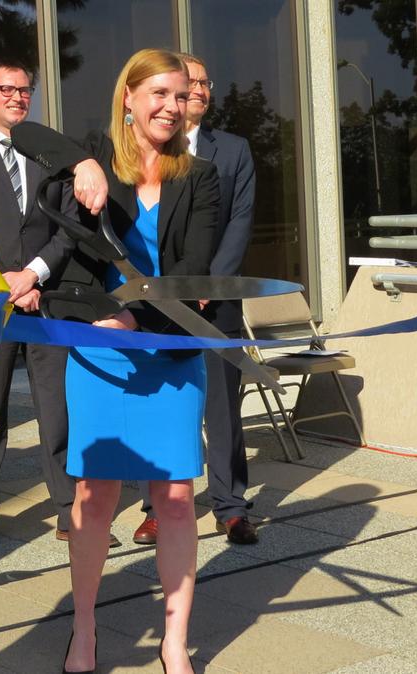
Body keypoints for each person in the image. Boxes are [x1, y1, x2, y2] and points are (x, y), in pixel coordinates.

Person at [13, 48, 219, 674]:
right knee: (95, 496)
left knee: (178, 498)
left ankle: (174, 640)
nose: (171, 106)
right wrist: (81, 163)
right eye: (157, 93)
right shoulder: (96, 161)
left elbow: (193, 277)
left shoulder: (201, 176)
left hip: (169, 351)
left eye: (180, 96)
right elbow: (21, 132)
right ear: (127, 98)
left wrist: (136, 319)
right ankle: (83, 631)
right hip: (101, 355)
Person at [0, 60, 113, 557]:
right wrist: (7, 284)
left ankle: (69, 513)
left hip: (47, 300)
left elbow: (70, 228)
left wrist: (35, 274)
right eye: (7, 89)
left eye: (25, 90)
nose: (18, 97)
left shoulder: (53, 153)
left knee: (57, 412)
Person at [131, 52, 257, 547]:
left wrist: (207, 282)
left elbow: (240, 221)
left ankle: (230, 505)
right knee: (158, 402)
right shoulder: (142, 148)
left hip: (216, 301)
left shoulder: (235, 150)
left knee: (223, 405)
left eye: (204, 83)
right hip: (157, 304)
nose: (198, 91)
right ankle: (154, 507)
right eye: (189, 83)